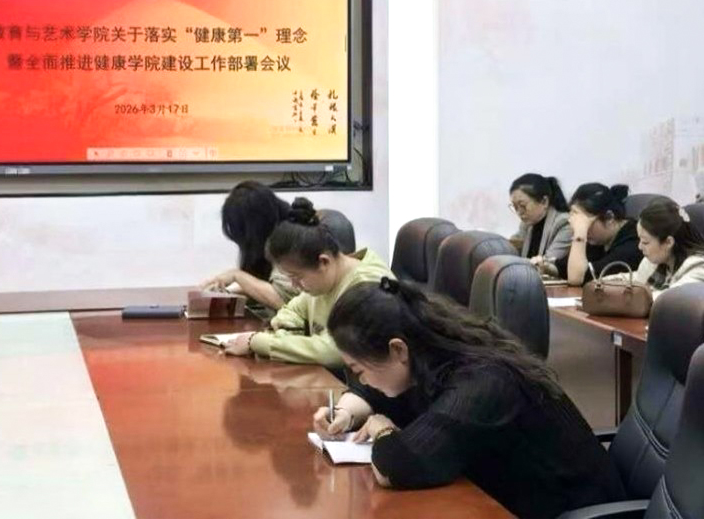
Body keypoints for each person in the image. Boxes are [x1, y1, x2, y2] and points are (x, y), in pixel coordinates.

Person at [313, 278, 626, 519]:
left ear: (397, 349)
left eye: (359, 369)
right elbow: (377, 391)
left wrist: (381, 429)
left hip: (569, 509)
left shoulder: (483, 381)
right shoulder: (432, 352)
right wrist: (346, 412)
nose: (360, 379)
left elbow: (400, 465)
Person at [219, 198, 391, 367]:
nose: (295, 285)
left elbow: (337, 350)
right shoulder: (322, 282)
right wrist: (284, 331)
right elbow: (292, 310)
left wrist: (257, 342)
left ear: (323, 262)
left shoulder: (368, 285)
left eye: (297, 277)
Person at [199, 181, 298, 315]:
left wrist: (237, 276)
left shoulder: (291, 239)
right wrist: (227, 293)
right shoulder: (272, 234)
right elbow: (268, 286)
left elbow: (285, 301)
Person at [550, 183, 642, 286]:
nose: (583, 229)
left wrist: (580, 234)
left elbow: (577, 278)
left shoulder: (634, 244)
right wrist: (545, 266)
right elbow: (563, 268)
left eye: (584, 223)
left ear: (609, 217)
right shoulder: (600, 240)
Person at [633, 196, 704, 295]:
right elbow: (634, 279)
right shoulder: (658, 261)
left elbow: (671, 298)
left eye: (645, 242)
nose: (640, 247)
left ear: (668, 242)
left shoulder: (700, 267)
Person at [507, 173, 572, 264]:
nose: (519, 212)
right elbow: (512, 246)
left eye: (522, 206)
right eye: (515, 207)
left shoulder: (564, 223)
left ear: (544, 202)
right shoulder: (526, 224)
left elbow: (548, 262)